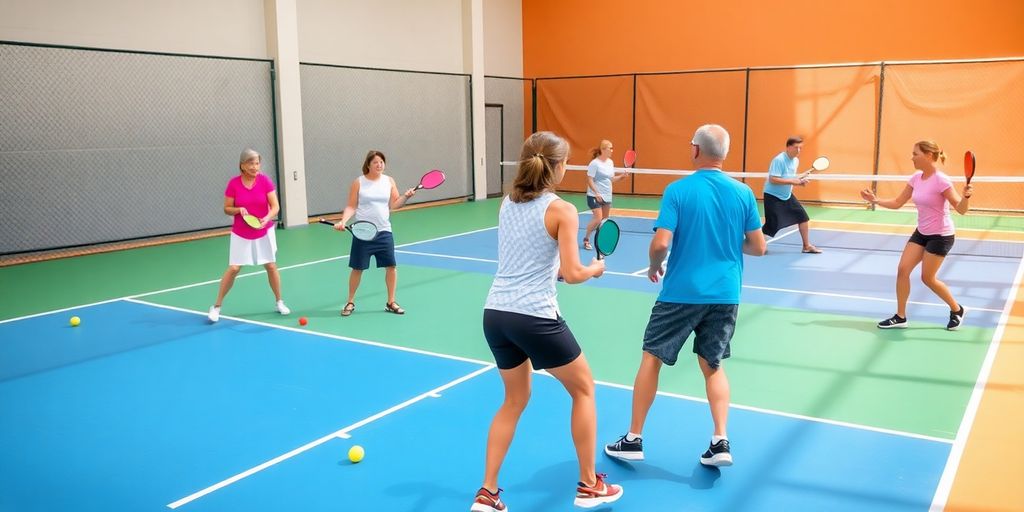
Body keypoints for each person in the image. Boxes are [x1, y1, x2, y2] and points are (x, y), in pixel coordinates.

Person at [471, 131, 623, 512]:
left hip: (496, 315)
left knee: (514, 399)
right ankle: (589, 484)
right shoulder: (562, 210)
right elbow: (572, 273)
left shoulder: (507, 203)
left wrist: (559, 270)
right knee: (584, 390)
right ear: (556, 167)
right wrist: (594, 269)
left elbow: (529, 260)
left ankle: (487, 492)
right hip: (534, 317)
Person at [604, 124, 766, 468]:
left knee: (652, 359)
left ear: (695, 150)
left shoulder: (678, 190)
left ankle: (633, 439)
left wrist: (653, 265)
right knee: (713, 365)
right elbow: (758, 247)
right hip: (725, 294)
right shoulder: (743, 193)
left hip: (680, 293)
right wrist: (723, 241)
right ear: (724, 153)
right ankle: (720, 440)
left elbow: (661, 243)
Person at [860, 140, 972, 330]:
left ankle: (957, 309)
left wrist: (966, 197)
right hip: (921, 232)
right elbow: (897, 202)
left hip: (941, 236)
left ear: (928, 156)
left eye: (915, 154)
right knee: (903, 270)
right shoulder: (916, 178)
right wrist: (875, 200)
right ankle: (900, 316)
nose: (911, 157)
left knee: (927, 278)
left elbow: (961, 210)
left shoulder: (941, 180)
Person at [208, 148, 290, 322]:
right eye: (251, 163)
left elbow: (275, 206)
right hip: (241, 232)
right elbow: (226, 208)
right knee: (234, 269)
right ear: (242, 166)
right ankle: (216, 306)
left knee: (271, 266)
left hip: (264, 230)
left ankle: (279, 302)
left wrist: (267, 217)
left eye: (257, 163)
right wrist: (238, 209)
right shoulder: (233, 184)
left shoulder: (265, 181)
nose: (255, 167)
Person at [334, 150, 416, 316]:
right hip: (363, 232)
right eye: (375, 162)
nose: (379, 165)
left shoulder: (389, 181)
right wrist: (344, 221)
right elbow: (351, 206)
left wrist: (406, 197)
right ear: (368, 165)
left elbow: (394, 204)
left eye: (381, 162)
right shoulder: (359, 182)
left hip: (384, 231)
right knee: (357, 268)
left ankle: (391, 302)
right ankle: (350, 302)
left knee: (391, 267)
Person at [762, 136, 821, 253]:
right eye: (796, 148)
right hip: (773, 196)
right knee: (771, 225)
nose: (798, 151)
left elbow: (789, 177)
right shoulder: (779, 160)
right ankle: (757, 245)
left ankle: (806, 246)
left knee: (803, 218)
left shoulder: (795, 161)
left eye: (800, 148)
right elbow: (773, 179)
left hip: (787, 195)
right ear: (788, 147)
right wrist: (796, 182)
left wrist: (801, 176)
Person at [581, 139, 628, 250]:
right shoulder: (594, 163)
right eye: (610, 148)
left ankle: (600, 241)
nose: (612, 150)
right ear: (602, 149)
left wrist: (621, 177)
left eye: (612, 148)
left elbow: (610, 179)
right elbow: (590, 180)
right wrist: (596, 192)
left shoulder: (610, 162)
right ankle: (586, 239)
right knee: (598, 218)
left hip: (607, 195)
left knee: (605, 220)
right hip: (594, 195)